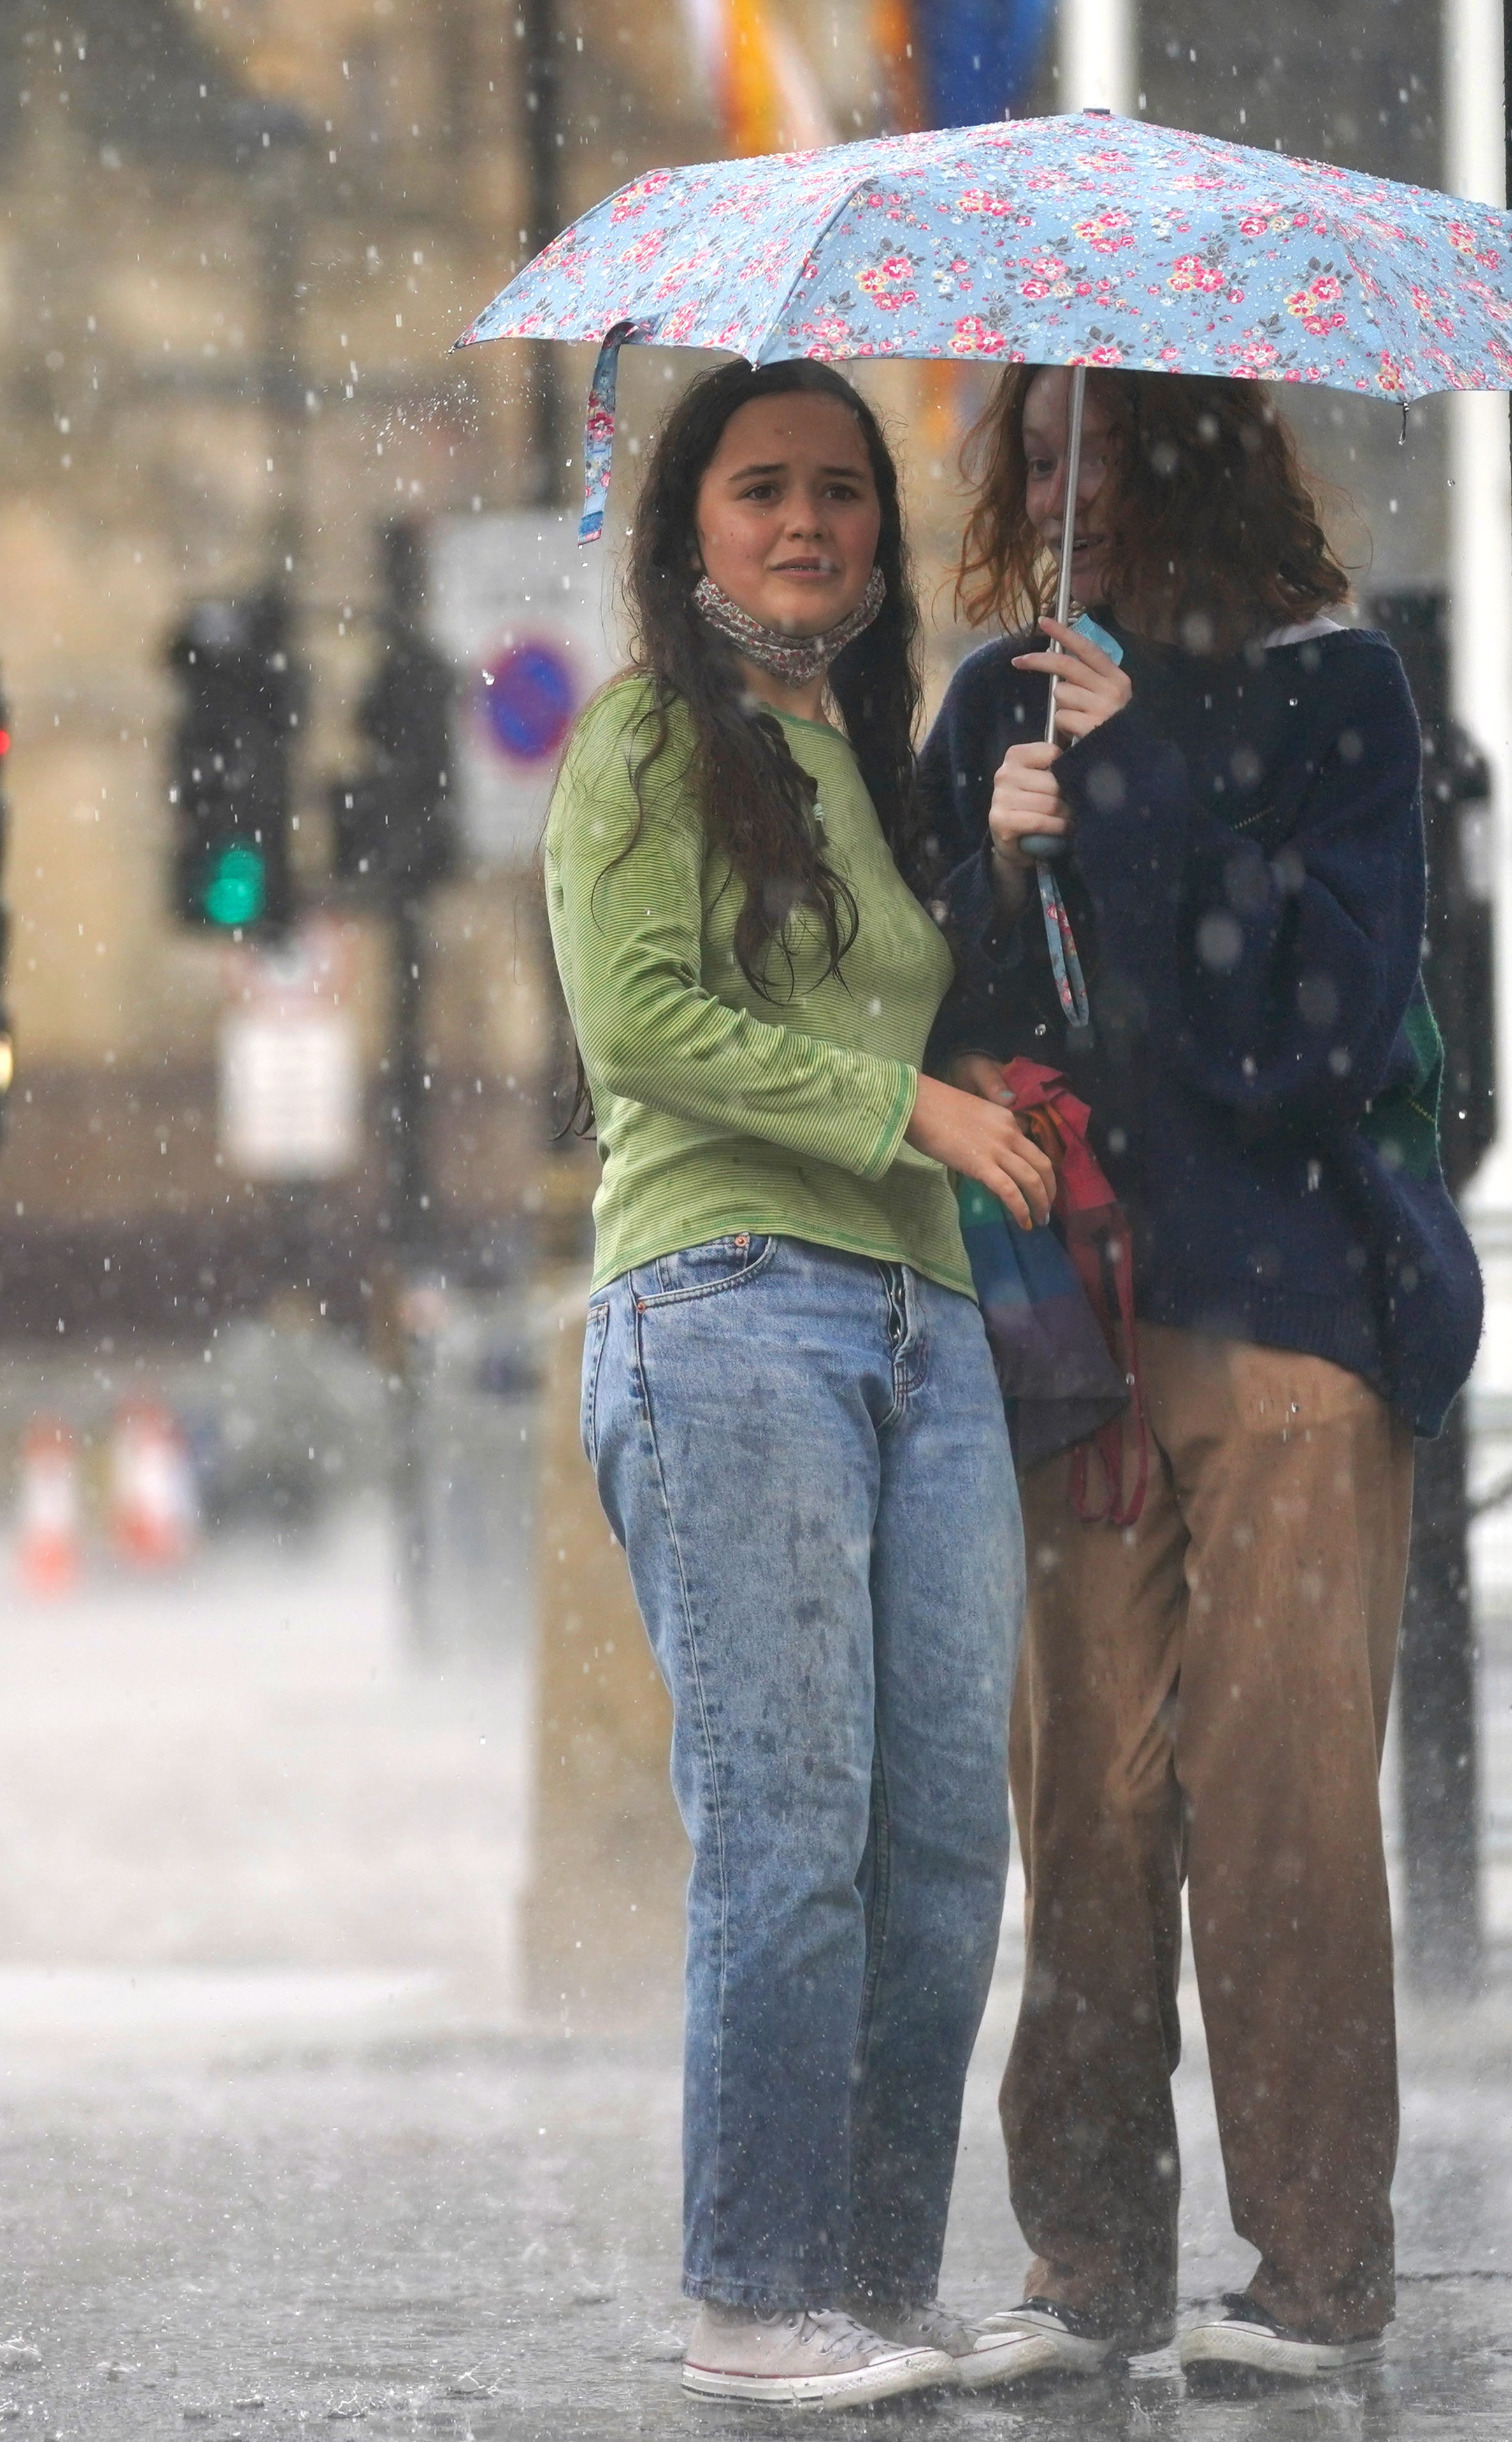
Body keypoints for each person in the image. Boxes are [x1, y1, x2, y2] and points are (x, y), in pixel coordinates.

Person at [923, 365, 1481, 2385]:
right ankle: (1083, 2268)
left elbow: (1323, 1026)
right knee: (1081, 1799)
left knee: (1279, 1803)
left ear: (1209, 448)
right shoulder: (1000, 693)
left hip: (1288, 1320)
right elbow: (945, 1022)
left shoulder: (1334, 696)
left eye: (1108, 436)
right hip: (1068, 1334)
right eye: (1039, 446)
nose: (1068, 480)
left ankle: (1313, 2279)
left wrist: (1146, 781)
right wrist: (991, 871)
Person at [546, 356, 1058, 2408]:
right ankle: (751, 2295)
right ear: (690, 530)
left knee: (941, 1841)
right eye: (761, 489)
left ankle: (867, 2283)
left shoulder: (855, 750)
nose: (808, 522)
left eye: (843, 492)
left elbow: (939, 1022)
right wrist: (904, 1111)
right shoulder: (644, 740)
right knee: (786, 1832)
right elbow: (641, 1023)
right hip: (726, 1299)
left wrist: (1007, 866)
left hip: (925, 1328)